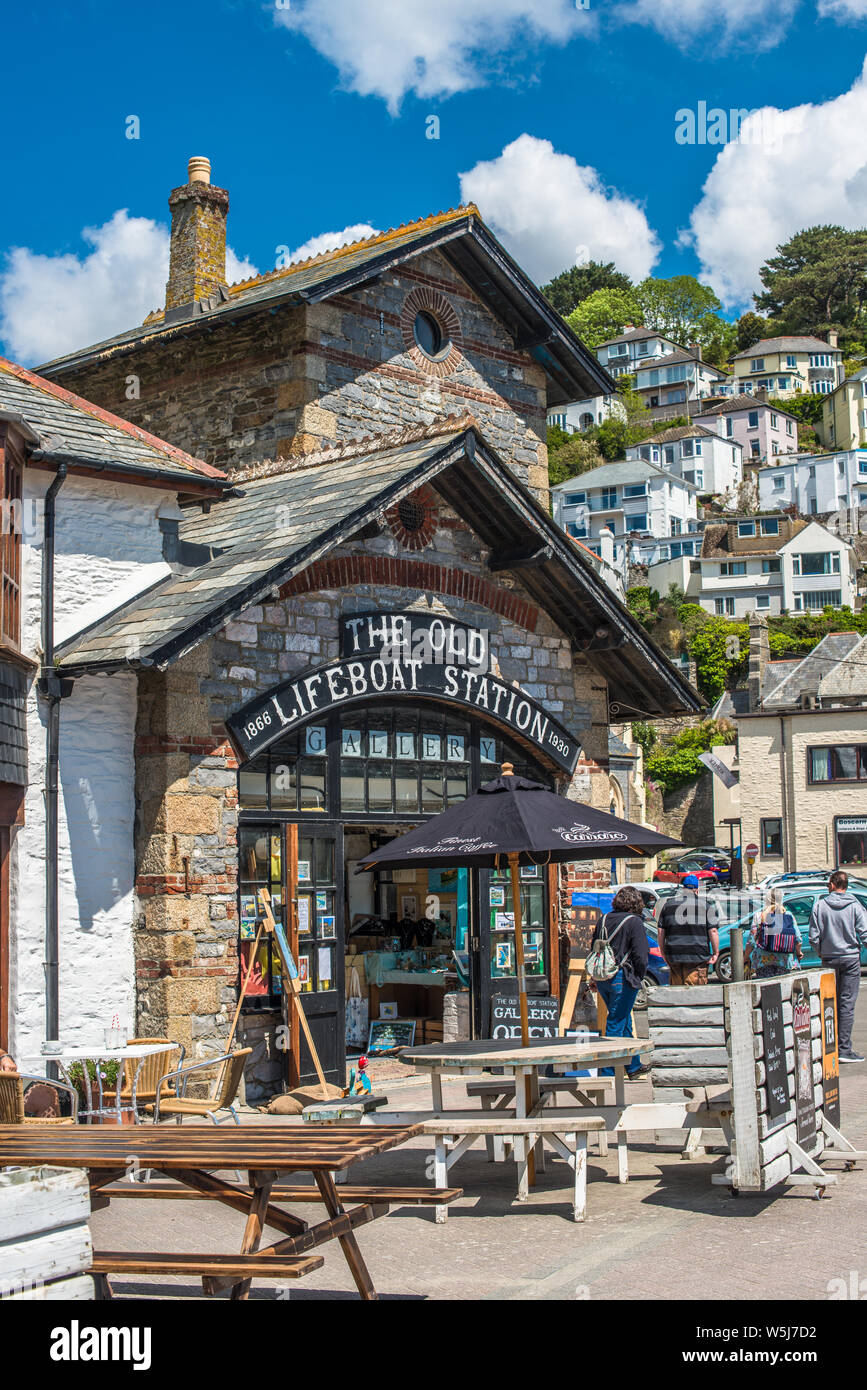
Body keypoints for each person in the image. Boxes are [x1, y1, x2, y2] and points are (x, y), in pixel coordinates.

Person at [590, 886, 649, 1079]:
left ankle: (633, 1066)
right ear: (637, 903)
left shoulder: (604, 919)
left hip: (603, 978)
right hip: (622, 978)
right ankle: (606, 1073)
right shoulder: (634, 922)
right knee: (616, 1022)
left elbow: (594, 949)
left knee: (623, 1024)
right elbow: (641, 955)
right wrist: (638, 977)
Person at [809, 870, 867, 1063]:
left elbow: (814, 937)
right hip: (850, 959)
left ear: (833, 884)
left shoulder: (820, 906)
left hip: (829, 959)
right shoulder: (855, 906)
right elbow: (864, 933)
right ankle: (844, 1048)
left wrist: (821, 952)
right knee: (847, 1004)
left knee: (828, 1004)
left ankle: (829, 1047)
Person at [657, 874, 720, 985]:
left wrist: (663, 952)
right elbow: (713, 931)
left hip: (674, 955)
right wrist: (715, 953)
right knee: (695, 995)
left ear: (683, 888)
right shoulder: (706, 906)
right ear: (696, 890)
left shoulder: (668, 905)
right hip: (697, 956)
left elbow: (661, 931)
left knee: (677, 994)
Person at [745, 889, 803, 979]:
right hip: (784, 962)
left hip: (763, 961)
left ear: (766, 900)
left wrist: (745, 957)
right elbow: (798, 940)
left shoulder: (760, 916)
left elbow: (751, 941)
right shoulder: (788, 915)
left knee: (766, 990)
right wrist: (799, 953)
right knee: (784, 990)